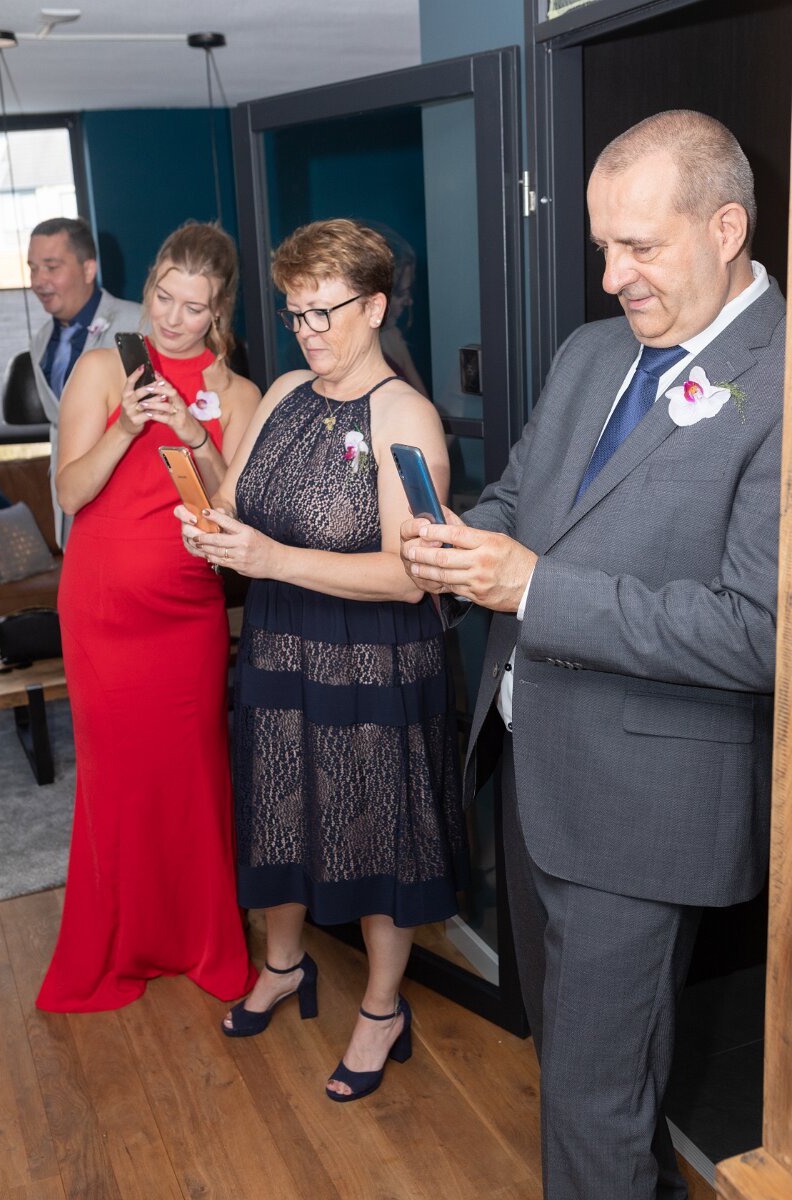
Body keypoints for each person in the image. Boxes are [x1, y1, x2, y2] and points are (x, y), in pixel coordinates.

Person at [400, 110, 784, 1198]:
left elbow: (755, 631)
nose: (612, 277)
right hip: (536, 775)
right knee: (585, 1074)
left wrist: (531, 587)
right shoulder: (589, 353)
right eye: (602, 247)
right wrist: (459, 540)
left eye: (639, 247)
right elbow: (524, 497)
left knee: (591, 1100)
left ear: (725, 229)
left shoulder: (781, 381)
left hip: (643, 805)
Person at [176, 218, 468, 1101]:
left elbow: (410, 577)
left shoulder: (406, 416)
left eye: (323, 312)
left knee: (375, 831)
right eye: (294, 312)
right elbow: (236, 498)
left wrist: (269, 559)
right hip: (281, 646)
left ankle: (381, 1008)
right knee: (278, 810)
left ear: (374, 308)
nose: (306, 331)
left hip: (370, 659)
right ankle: (284, 965)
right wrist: (209, 517)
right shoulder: (284, 392)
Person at [36, 221, 261, 1013]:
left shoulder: (240, 395)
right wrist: (127, 426)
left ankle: (199, 940)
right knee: (117, 784)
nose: (171, 319)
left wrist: (194, 432)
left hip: (187, 613)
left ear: (218, 311)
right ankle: (118, 945)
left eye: (193, 307)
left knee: (192, 779)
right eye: (164, 298)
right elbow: (70, 493)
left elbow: (235, 508)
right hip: (101, 612)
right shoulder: (105, 367)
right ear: (151, 287)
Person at [27, 216, 143, 549]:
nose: (39, 281)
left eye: (51, 267)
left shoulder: (138, 322)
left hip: (128, 510)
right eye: (33, 268)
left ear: (88, 269)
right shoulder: (40, 341)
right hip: (71, 510)